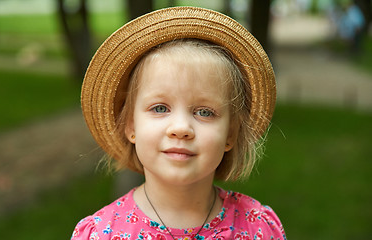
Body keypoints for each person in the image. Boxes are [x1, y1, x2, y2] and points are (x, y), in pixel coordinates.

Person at [72, 7, 286, 240]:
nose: (181, 128)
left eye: (204, 112)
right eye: (160, 108)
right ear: (131, 126)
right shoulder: (101, 233)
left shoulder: (258, 228)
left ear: (230, 134)